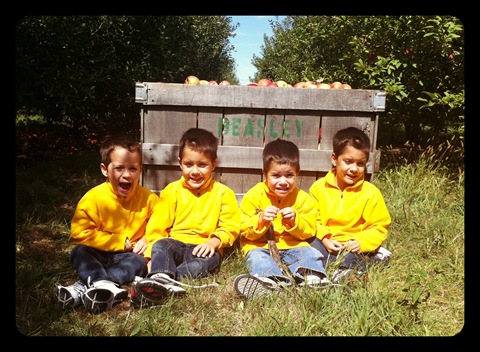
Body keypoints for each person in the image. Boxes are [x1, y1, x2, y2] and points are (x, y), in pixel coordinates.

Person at [132, 127, 240, 306]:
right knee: (161, 245)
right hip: (175, 243)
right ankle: (160, 275)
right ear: (180, 163)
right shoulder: (172, 191)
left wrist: (213, 242)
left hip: (203, 246)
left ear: (213, 165)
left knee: (207, 262)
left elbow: (230, 226)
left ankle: (163, 281)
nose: (195, 171)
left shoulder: (223, 193)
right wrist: (151, 257)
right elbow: (157, 228)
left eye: (202, 165)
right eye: (189, 164)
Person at [56, 134, 159, 314]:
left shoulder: (149, 198)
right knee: (79, 251)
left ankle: (84, 287)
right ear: (105, 169)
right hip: (98, 252)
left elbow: (161, 224)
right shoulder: (93, 199)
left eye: (133, 168)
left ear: (140, 169)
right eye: (119, 168)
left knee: (138, 263)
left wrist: (147, 237)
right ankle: (101, 283)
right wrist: (117, 242)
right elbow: (80, 233)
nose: (126, 175)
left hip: (129, 254)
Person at [233, 138, 329, 300]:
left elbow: (309, 230)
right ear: (264, 174)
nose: (283, 182)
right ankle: (269, 282)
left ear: (298, 174)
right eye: (276, 175)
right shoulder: (254, 196)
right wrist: (261, 220)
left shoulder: (302, 199)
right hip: (260, 245)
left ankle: (313, 279)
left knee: (309, 253)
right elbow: (244, 230)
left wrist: (294, 221)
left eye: (289, 175)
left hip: (293, 244)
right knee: (257, 257)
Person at [308, 126, 392, 283]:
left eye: (360, 164)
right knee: (307, 245)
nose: (354, 169)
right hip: (326, 243)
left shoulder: (370, 192)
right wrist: (325, 238)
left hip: (352, 246)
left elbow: (379, 227)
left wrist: (360, 242)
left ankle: (346, 270)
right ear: (334, 159)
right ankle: (331, 271)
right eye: (348, 162)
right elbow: (312, 220)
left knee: (352, 258)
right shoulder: (319, 188)